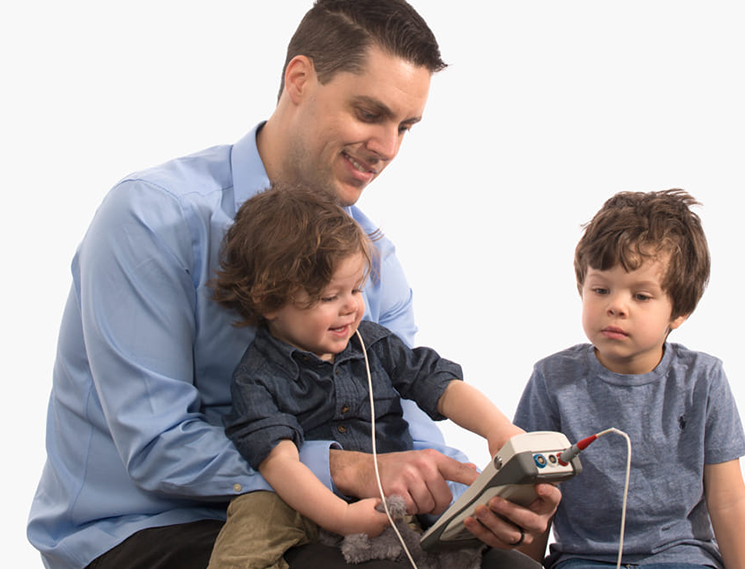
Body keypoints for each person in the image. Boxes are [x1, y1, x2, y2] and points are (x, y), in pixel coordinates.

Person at [26, 0, 558, 569]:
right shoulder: (151, 218)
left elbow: (407, 426)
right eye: (369, 113)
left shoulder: (374, 263)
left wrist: (468, 500)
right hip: (146, 525)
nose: (387, 147)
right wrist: (348, 468)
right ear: (299, 80)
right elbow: (157, 445)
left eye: (405, 127)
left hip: (331, 523)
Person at [206, 184, 525, 568]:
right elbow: (281, 464)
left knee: (460, 534)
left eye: (356, 289)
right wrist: (341, 517)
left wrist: (498, 429)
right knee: (252, 520)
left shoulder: (373, 342)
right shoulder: (256, 378)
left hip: (390, 492)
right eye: (330, 297)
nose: (351, 307)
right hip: (300, 499)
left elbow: (440, 386)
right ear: (269, 301)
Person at [513, 190, 745, 569]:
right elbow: (531, 494)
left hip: (681, 557)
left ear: (679, 311)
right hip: (584, 559)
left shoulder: (703, 380)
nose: (616, 306)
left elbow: (728, 499)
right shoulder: (552, 380)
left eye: (641, 296)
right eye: (601, 290)